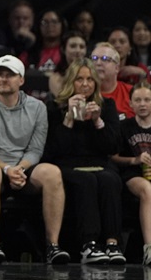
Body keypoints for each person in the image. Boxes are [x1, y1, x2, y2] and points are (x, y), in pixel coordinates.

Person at [0, 54, 70, 264]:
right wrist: (6, 169)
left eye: (10, 75)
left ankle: (53, 246)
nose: (3, 79)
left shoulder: (37, 107)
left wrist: (19, 169)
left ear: (21, 80)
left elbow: (35, 150)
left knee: (52, 173)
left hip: (23, 167)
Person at [43, 59, 124, 264]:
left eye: (90, 79)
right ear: (71, 82)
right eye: (80, 79)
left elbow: (112, 146)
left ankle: (112, 244)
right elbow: (53, 150)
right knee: (86, 180)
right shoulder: (55, 107)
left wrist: (98, 121)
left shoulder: (106, 106)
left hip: (99, 163)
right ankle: (89, 245)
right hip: (67, 165)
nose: (85, 84)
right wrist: (69, 118)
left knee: (110, 180)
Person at [111, 80, 151, 266]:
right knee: (147, 189)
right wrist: (134, 160)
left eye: (147, 99)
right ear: (131, 103)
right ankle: (149, 248)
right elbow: (113, 157)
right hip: (132, 174)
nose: (142, 104)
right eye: (138, 100)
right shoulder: (124, 126)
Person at [92, 42, 134, 120]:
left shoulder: (131, 93)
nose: (98, 63)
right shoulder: (84, 93)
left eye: (105, 59)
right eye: (94, 58)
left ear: (117, 68)